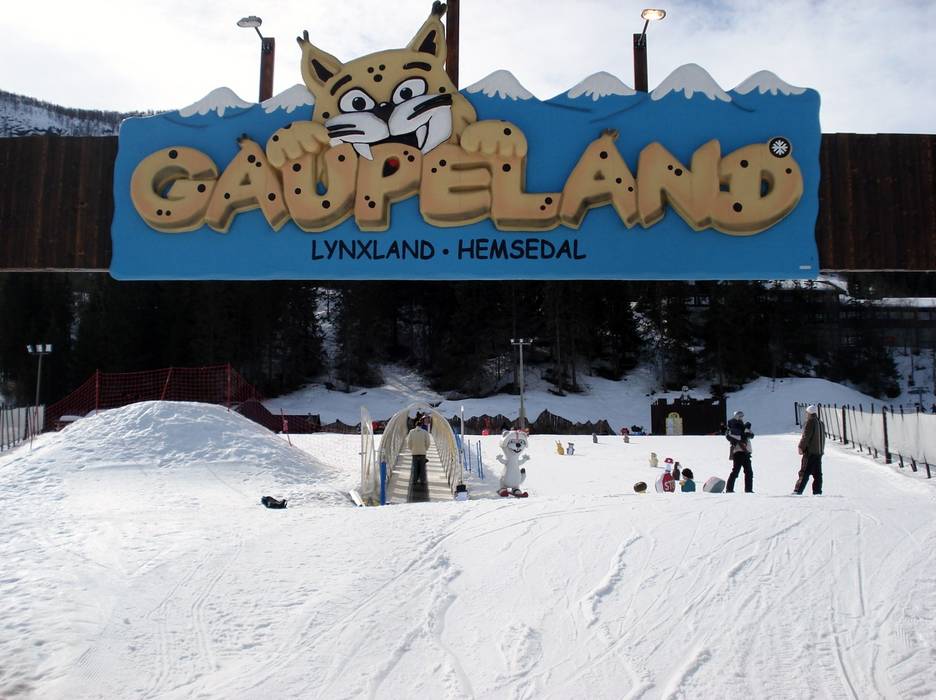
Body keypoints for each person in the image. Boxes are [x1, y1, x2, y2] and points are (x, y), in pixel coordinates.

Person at [794, 404, 825, 495]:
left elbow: (806, 437)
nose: (806, 414)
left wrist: (801, 447)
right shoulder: (821, 423)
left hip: (810, 453)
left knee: (804, 473)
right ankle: (817, 492)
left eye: (806, 413)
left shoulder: (810, 422)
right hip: (818, 453)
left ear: (809, 413)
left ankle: (797, 491)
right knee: (818, 475)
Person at [725, 410, 754, 493]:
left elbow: (751, 435)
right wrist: (744, 434)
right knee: (736, 472)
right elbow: (736, 437)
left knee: (748, 472)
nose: (742, 418)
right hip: (739, 452)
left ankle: (748, 490)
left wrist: (747, 431)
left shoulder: (742, 427)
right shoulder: (733, 427)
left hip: (745, 452)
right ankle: (729, 489)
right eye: (740, 416)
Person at [407, 418, 431, 485]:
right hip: (422, 452)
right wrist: (425, 449)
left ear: (415, 425)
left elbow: (408, 442)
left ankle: (414, 481)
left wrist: (412, 449)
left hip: (414, 452)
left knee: (415, 467)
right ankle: (422, 481)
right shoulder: (425, 432)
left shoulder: (411, 432)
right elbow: (428, 442)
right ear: (421, 425)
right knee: (422, 468)